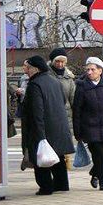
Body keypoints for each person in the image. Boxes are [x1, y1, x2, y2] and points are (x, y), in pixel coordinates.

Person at [20, 56, 74, 195]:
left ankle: (46, 187)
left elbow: (37, 110)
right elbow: (63, 100)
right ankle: (61, 184)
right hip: (58, 125)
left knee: (41, 156)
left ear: (35, 68)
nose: (25, 69)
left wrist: (38, 132)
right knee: (58, 155)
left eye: (27, 66)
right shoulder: (54, 81)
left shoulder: (35, 85)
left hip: (42, 127)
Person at [73, 57, 103, 191]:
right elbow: (77, 110)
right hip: (90, 127)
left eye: (93, 69)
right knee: (98, 154)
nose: (90, 72)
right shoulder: (82, 87)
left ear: (100, 70)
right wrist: (77, 131)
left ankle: (95, 172)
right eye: (88, 70)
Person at [47, 47, 76, 127]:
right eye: (57, 61)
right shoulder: (46, 76)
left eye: (62, 62)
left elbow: (73, 98)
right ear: (52, 61)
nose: (60, 64)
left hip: (67, 118)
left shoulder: (69, 78)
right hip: (50, 116)